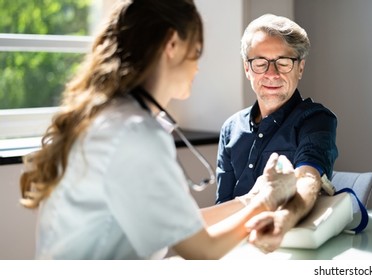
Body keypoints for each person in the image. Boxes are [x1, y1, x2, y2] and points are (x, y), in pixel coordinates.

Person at [18, 0, 295, 260]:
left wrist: (251, 198)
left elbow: (184, 226)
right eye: (197, 51)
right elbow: (202, 249)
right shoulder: (135, 133)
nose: (198, 67)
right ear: (172, 43)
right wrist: (267, 200)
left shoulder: (109, 118)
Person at [216, 14, 338, 253]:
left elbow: (308, 179)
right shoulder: (230, 128)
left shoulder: (315, 120)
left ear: (300, 68)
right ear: (247, 69)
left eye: (283, 63)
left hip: (291, 246)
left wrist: (282, 220)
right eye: (260, 63)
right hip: (236, 248)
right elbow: (224, 204)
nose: (271, 74)